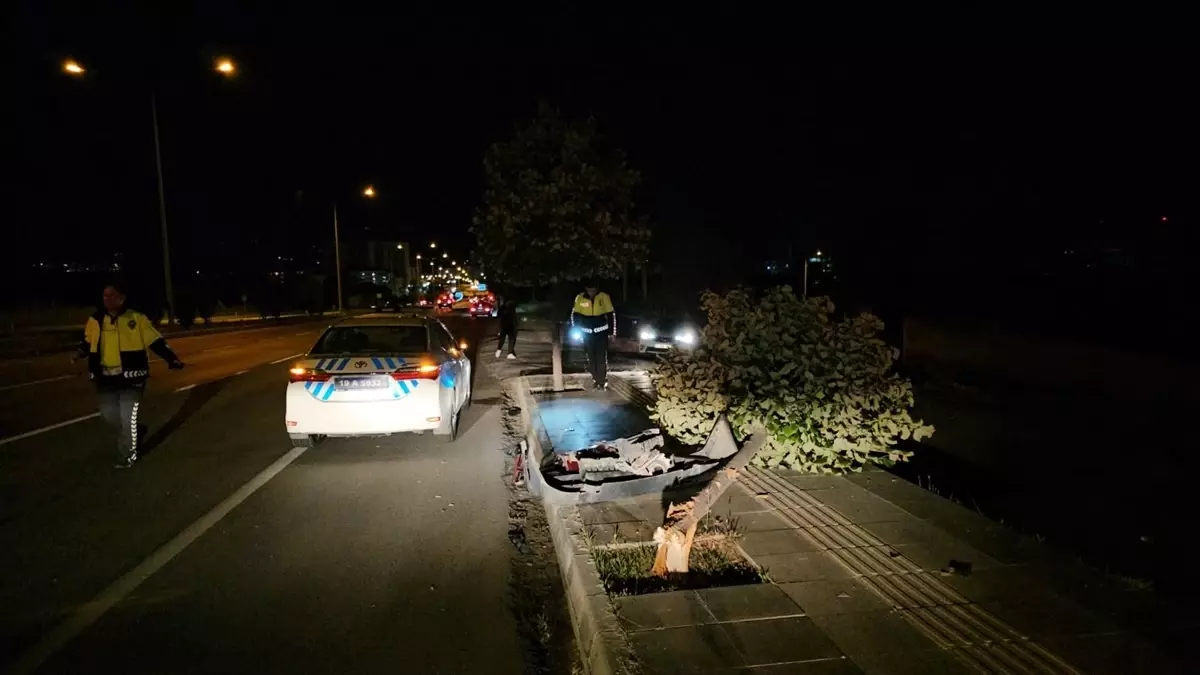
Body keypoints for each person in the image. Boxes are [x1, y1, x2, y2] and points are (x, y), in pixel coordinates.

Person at [75, 283, 185, 468]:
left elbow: (156, 341)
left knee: (127, 418)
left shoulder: (137, 318)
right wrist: (80, 352)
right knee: (109, 415)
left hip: (132, 377)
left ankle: (127, 455)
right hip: (105, 378)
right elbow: (88, 341)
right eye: (104, 295)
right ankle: (135, 431)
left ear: (122, 298)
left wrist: (171, 359)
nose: (107, 299)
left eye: (111, 295)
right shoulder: (95, 320)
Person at [570, 280, 616, 389]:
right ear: (586, 289)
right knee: (590, 358)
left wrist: (612, 333)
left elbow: (611, 315)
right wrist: (576, 331)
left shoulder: (604, 297)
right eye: (589, 289)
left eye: (594, 289)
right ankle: (595, 378)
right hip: (586, 335)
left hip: (601, 334)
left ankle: (601, 380)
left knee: (601, 358)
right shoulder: (580, 298)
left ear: (597, 288)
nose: (591, 292)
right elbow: (575, 316)